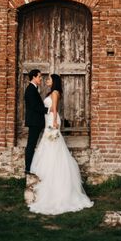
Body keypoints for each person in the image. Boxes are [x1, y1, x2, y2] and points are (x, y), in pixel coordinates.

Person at [29, 73, 94, 215]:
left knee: (52, 146)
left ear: (54, 82)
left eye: (49, 79)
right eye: (46, 79)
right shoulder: (52, 92)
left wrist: (53, 124)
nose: (47, 80)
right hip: (49, 119)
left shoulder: (55, 93)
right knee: (49, 146)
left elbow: (54, 109)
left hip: (51, 119)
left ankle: (54, 186)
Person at [24, 69, 47, 175]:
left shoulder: (34, 88)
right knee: (31, 145)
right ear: (34, 77)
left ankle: (31, 167)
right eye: (39, 76)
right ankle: (28, 168)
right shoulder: (30, 89)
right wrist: (47, 110)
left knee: (32, 144)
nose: (41, 78)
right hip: (34, 121)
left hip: (36, 121)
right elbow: (34, 106)